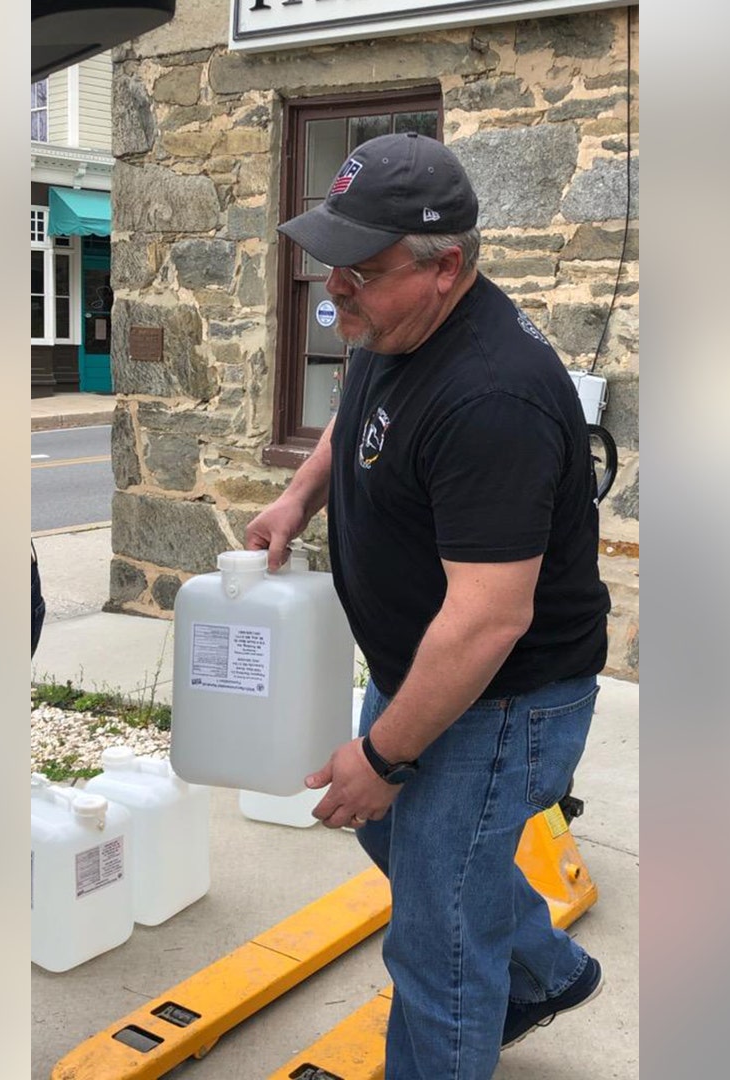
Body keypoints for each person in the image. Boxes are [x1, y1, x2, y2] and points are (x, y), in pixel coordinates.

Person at [244, 132, 612, 1079]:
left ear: (445, 266)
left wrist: (383, 753)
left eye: (360, 273)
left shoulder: (494, 397)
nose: (336, 292)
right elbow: (355, 408)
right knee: (393, 833)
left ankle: (479, 1006)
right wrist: (297, 498)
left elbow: (489, 619)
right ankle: (545, 971)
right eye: (330, 264)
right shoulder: (394, 326)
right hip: (429, 670)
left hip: (504, 698)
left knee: (437, 942)